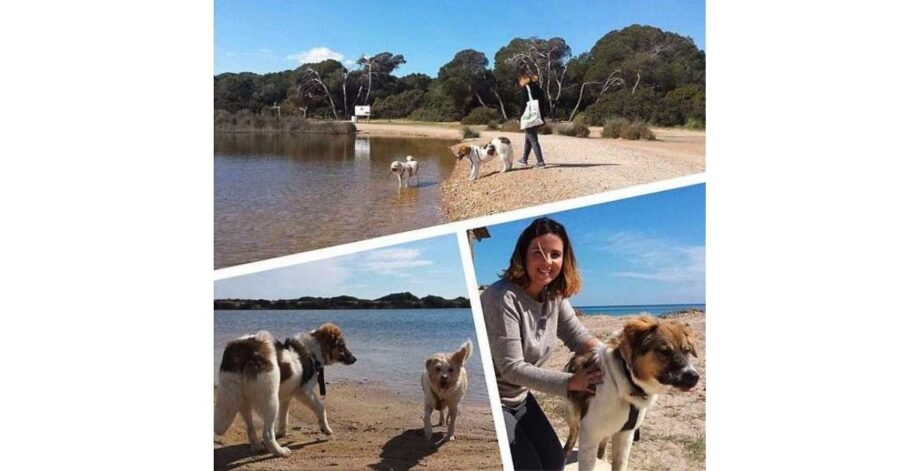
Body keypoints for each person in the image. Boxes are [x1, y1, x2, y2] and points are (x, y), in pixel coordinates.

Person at [481, 217, 604, 470]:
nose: (547, 261)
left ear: (564, 259)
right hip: (494, 397)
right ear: (522, 256)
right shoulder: (501, 297)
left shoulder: (554, 297)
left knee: (554, 460)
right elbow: (511, 368)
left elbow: (578, 337)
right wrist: (572, 383)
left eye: (555, 254)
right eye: (538, 252)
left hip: (520, 395)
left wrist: (614, 358)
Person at [517, 73, 549, 168]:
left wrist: (520, 118)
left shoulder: (525, 89)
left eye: (520, 81)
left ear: (524, 80)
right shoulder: (538, 89)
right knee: (529, 138)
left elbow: (523, 105)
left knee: (533, 139)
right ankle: (524, 159)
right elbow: (543, 104)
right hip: (537, 117)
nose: (519, 83)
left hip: (529, 118)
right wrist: (542, 118)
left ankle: (540, 162)